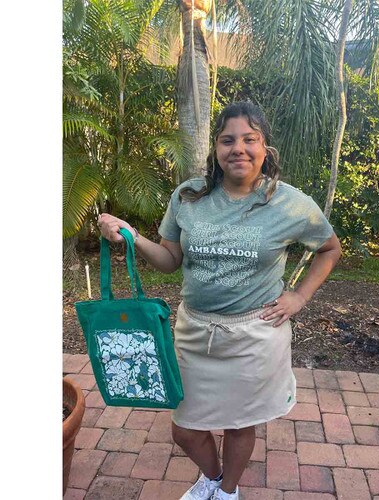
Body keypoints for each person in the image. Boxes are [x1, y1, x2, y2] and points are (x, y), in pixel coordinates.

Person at [98, 101, 342, 500]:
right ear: (216, 147)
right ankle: (211, 477)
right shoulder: (189, 196)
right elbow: (170, 260)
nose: (238, 149)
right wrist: (132, 236)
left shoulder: (289, 203)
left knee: (240, 425)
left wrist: (299, 296)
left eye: (250, 139)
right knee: (185, 429)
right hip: (195, 333)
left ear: (265, 148)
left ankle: (228, 491)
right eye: (228, 140)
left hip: (254, 335)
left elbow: (330, 249)